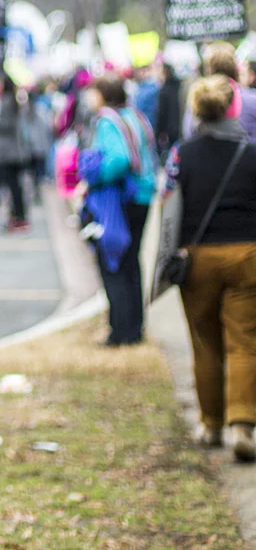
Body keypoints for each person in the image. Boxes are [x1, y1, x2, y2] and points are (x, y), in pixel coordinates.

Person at [167, 75, 256, 461]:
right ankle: (242, 425)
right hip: (246, 255)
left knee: (204, 341)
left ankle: (211, 424)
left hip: (198, 256)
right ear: (231, 108)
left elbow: (171, 208)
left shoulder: (182, 154)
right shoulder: (251, 153)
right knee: (244, 341)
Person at [78, 74, 157, 347]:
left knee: (114, 262)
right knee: (132, 261)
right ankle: (135, 328)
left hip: (120, 199)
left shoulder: (107, 120)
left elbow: (119, 158)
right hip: (143, 195)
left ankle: (120, 331)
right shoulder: (136, 115)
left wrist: (94, 177)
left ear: (103, 93)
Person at [0, 77, 31, 232]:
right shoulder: (15, 101)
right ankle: (19, 215)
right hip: (16, 151)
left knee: (11, 186)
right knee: (16, 186)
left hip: (8, 152)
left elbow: (5, 124)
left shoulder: (6, 102)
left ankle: (18, 216)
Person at [155, 61, 182, 160]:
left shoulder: (164, 90)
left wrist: (158, 133)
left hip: (172, 131)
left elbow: (162, 114)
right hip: (180, 128)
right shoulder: (180, 87)